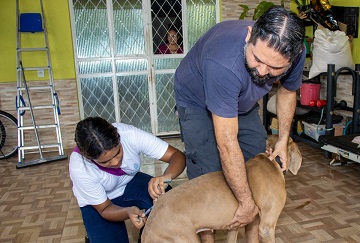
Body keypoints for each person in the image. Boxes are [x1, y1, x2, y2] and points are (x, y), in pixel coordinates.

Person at [174, 6, 306, 242]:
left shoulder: (294, 51)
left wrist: (283, 140)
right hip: (196, 101)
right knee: (208, 174)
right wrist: (245, 203)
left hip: (241, 101)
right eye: (257, 59)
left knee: (256, 165)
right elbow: (226, 142)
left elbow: (287, 92)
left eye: (275, 68)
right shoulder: (223, 62)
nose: (263, 72)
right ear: (249, 35)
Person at [69, 117, 186, 243]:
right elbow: (104, 209)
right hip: (99, 205)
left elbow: (177, 156)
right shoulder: (80, 167)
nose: (116, 162)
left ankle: (147, 236)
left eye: (118, 152)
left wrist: (166, 177)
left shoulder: (129, 135)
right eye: (106, 161)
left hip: (128, 183)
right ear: (89, 158)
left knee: (167, 201)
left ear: (118, 138)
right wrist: (128, 212)